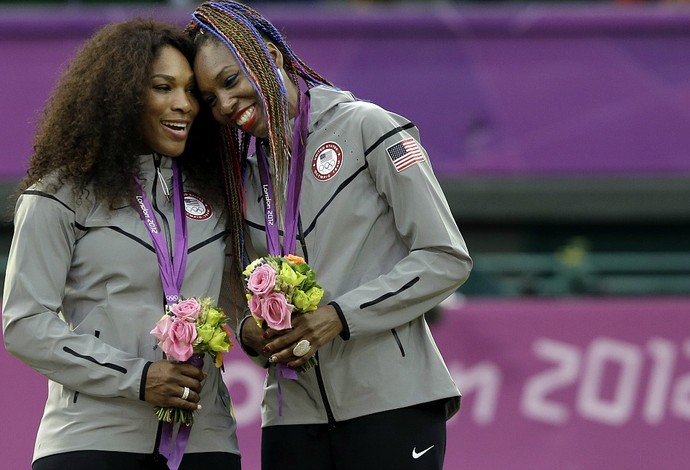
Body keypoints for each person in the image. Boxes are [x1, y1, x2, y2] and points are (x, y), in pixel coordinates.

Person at [187, 2, 472, 469]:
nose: (225, 105)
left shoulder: (368, 127)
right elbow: (228, 279)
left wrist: (339, 316)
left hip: (390, 400)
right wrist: (248, 332)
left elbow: (445, 257)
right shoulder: (239, 172)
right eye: (210, 98)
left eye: (231, 81)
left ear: (272, 57)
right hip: (291, 414)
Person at [2, 19, 241, 470]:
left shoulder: (215, 194)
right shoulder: (58, 194)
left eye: (191, 91)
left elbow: (235, 306)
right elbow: (25, 323)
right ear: (121, 96)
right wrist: (138, 378)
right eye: (163, 87)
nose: (183, 104)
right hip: (92, 440)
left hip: (205, 441)